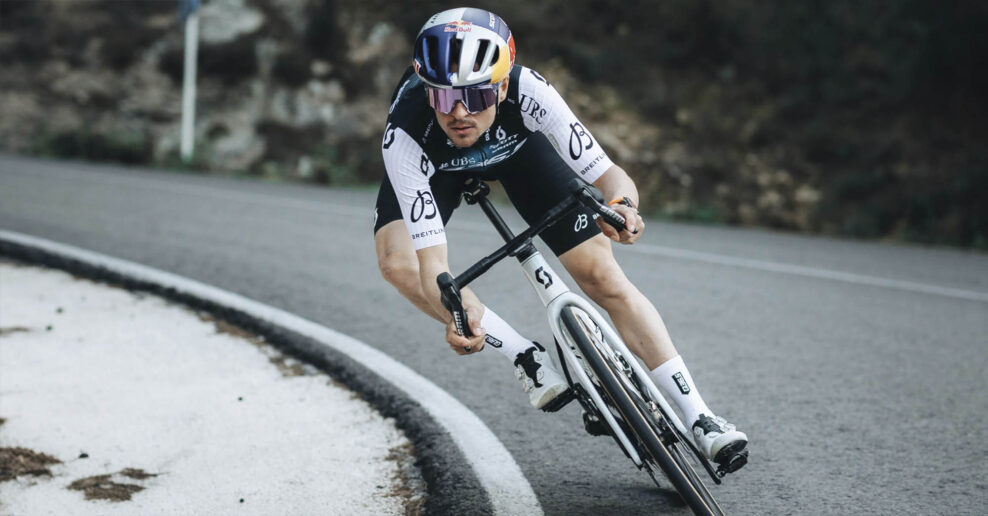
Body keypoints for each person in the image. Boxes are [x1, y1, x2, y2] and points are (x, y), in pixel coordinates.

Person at [374, 7, 747, 470]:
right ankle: (523, 356)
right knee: (397, 261)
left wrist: (624, 210)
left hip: (519, 151)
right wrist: (455, 315)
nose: (459, 113)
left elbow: (612, 178)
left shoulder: (531, 92)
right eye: (443, 97)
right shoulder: (405, 135)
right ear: (425, 88)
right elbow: (433, 263)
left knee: (603, 276)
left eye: (475, 95)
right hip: (436, 168)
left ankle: (701, 417)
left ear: (503, 85)